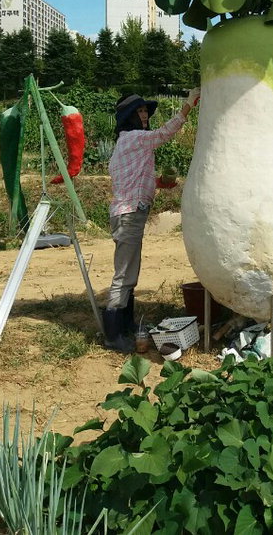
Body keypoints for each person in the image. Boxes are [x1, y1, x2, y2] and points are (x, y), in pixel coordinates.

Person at [103, 88, 201, 351]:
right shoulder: (135, 138)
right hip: (129, 214)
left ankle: (124, 326)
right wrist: (187, 106)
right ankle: (113, 336)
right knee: (124, 275)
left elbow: (130, 179)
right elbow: (164, 134)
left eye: (145, 110)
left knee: (129, 273)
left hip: (130, 212)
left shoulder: (127, 143)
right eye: (139, 111)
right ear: (128, 117)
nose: (144, 115)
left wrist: (157, 183)